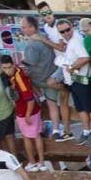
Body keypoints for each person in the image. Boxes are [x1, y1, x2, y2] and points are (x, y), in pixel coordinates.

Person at [32, 3, 72, 142]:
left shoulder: (58, 26)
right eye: (43, 14)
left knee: (54, 86)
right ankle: (62, 131)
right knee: (59, 100)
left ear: (52, 11)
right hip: (57, 64)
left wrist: (43, 40)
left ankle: (66, 131)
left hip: (66, 62)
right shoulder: (46, 27)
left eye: (48, 12)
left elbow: (61, 47)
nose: (47, 15)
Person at [19, 16, 60, 147]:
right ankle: (55, 130)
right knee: (53, 105)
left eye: (24, 27)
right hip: (52, 75)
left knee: (24, 82)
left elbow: (28, 65)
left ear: (32, 27)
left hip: (38, 79)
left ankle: (40, 99)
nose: (22, 29)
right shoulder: (44, 36)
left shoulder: (31, 45)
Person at [0, 56, 45, 171]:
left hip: (26, 112)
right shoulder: (19, 71)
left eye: (9, 67)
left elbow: (29, 99)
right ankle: (41, 163)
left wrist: (28, 114)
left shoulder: (19, 78)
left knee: (28, 137)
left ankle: (33, 162)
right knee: (36, 136)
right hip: (32, 110)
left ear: (13, 65)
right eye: (4, 68)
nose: (7, 70)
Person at [61, 19, 91, 146]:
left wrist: (71, 67)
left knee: (90, 106)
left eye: (67, 29)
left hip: (81, 78)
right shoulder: (70, 42)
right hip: (73, 80)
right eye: (62, 31)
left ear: (72, 27)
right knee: (81, 107)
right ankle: (86, 131)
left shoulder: (76, 41)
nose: (65, 33)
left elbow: (85, 58)